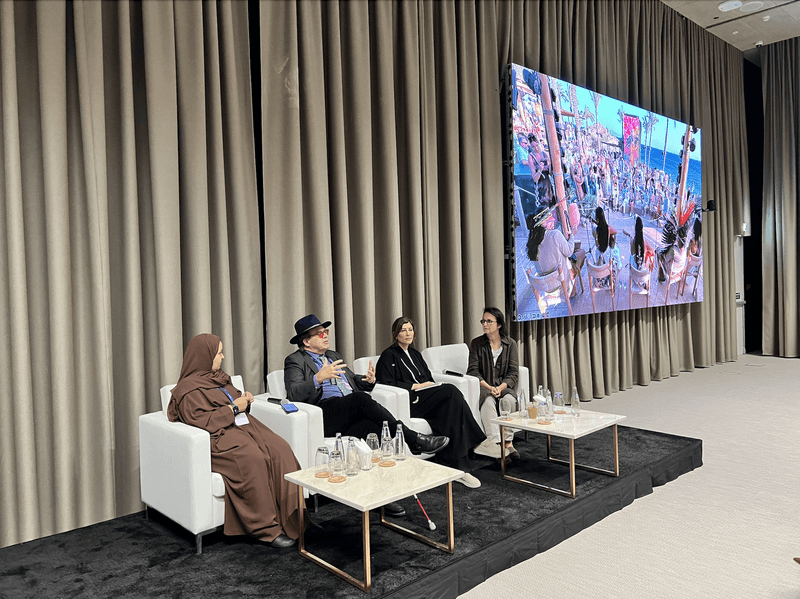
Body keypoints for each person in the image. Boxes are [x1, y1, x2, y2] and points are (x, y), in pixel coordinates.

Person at [284, 314, 450, 516]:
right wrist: (318, 378)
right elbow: (293, 393)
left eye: (326, 331)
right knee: (361, 399)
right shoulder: (295, 360)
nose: (326, 335)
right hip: (325, 414)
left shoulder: (334, 356)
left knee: (375, 431)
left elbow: (353, 381)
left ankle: (383, 495)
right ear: (306, 341)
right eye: (319, 334)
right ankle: (412, 439)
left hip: (348, 411)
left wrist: (368, 381)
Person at [167, 334, 301, 548]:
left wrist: (244, 398)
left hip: (243, 425)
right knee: (253, 458)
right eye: (218, 352)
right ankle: (265, 529)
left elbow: (233, 398)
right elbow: (205, 420)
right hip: (218, 436)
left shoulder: (219, 377)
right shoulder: (187, 391)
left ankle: (294, 518)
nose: (222, 357)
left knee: (280, 448)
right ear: (205, 356)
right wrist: (235, 407)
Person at [376, 317, 487, 489]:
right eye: (403, 330)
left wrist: (429, 385)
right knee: (450, 391)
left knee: (450, 408)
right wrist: (417, 386)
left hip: (425, 397)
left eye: (410, 329)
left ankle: (457, 468)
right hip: (410, 401)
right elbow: (386, 383)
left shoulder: (415, 354)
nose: (408, 333)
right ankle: (479, 440)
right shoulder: (388, 355)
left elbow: (429, 378)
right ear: (395, 334)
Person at [467, 308, 520, 463]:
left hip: (504, 386)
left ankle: (508, 443)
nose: (485, 324)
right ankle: (496, 444)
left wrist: (501, 388)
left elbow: (513, 372)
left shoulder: (510, 344)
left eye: (489, 321)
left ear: (499, 325)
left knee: (509, 401)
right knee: (488, 402)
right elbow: (473, 371)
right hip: (484, 387)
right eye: (483, 321)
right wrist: (490, 388)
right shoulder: (477, 343)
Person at [526, 221, 586, 297]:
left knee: (567, 255)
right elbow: (569, 252)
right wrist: (572, 235)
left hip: (546, 286)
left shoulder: (532, 241)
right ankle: (572, 286)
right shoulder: (554, 234)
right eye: (549, 219)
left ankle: (573, 284)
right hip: (561, 282)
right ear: (542, 223)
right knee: (581, 252)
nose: (553, 221)